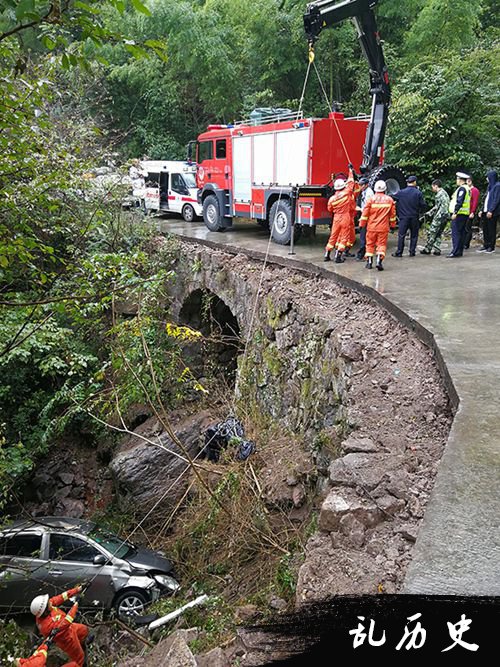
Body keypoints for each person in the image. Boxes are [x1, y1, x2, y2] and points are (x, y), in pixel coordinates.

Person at [30, 586, 89, 667]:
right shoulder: (46, 626)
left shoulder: (46, 608)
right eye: (48, 603)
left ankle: (82, 644)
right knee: (79, 658)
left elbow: (61, 597)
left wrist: (78, 589)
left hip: (70, 628)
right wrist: (76, 605)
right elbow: (67, 621)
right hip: (67, 639)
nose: (50, 602)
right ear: (45, 611)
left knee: (84, 630)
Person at [359, 180, 397, 271]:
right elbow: (392, 215)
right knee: (381, 245)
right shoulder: (389, 200)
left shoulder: (371, 199)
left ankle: (369, 262)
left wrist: (362, 224)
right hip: (383, 228)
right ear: (385, 189)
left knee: (370, 244)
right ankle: (379, 261)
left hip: (371, 227)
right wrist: (392, 225)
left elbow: (365, 214)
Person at [324, 165, 356, 263]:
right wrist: (350, 170)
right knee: (344, 237)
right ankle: (338, 255)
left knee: (333, 236)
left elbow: (329, 208)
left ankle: (327, 254)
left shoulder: (332, 199)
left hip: (336, 218)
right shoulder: (347, 192)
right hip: (345, 217)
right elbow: (351, 182)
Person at [392, 175, 427, 257]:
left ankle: (399, 252)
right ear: (414, 182)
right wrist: (421, 212)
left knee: (401, 235)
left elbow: (392, 197)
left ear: (407, 182)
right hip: (414, 217)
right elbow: (423, 205)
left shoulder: (401, 192)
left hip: (403, 218)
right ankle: (412, 252)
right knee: (414, 235)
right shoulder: (418, 193)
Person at [420, 179, 450, 255]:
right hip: (445, 216)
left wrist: (433, 214)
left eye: (432, 187)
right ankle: (437, 249)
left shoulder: (440, 194)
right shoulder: (444, 193)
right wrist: (430, 212)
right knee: (438, 233)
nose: (432, 188)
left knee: (432, 232)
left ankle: (428, 249)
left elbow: (440, 207)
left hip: (440, 216)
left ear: (436, 186)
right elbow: (438, 206)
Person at [447, 172, 471, 257]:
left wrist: (455, 212)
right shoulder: (467, 188)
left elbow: (459, 202)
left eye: (457, 179)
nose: (456, 180)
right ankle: (459, 251)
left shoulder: (462, 189)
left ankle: (455, 251)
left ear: (460, 180)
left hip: (459, 214)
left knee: (456, 233)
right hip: (464, 214)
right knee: (461, 233)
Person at [477, 170, 500, 253]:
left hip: (492, 212)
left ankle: (491, 246)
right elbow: (486, 199)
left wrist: (491, 210)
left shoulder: (497, 186)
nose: (487, 179)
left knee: (491, 229)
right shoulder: (489, 186)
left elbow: (496, 200)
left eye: (488, 177)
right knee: (485, 229)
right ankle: (486, 244)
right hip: (485, 211)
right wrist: (481, 210)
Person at [355, 177, 375, 260]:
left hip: (367, 217)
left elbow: (368, 207)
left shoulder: (369, 193)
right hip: (364, 216)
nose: (360, 187)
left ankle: (362, 254)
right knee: (364, 236)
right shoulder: (364, 191)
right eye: (359, 185)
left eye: (362, 185)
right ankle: (363, 253)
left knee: (364, 236)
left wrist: (360, 209)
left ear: (366, 185)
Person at [464, 176, 480, 249]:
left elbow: (475, 202)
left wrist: (473, 212)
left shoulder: (475, 190)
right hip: (465, 211)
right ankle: (464, 242)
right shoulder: (466, 189)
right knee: (465, 228)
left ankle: (466, 244)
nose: (467, 182)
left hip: (470, 212)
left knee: (468, 228)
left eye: (469, 181)